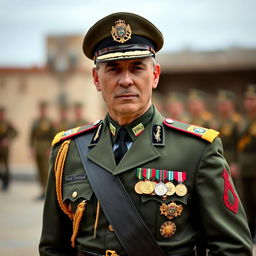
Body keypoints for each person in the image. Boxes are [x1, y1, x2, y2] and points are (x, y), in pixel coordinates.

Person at [39, 12, 252, 256]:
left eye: (137, 67)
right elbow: (53, 248)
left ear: (155, 75)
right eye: (114, 69)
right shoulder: (69, 150)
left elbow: (233, 248)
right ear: (97, 78)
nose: (126, 80)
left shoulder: (197, 149)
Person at [238, 84, 256, 243]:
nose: (249, 103)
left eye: (252, 99)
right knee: (247, 202)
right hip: (246, 169)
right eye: (247, 100)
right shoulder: (247, 121)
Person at [215, 89, 241, 192]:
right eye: (220, 104)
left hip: (231, 160)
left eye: (224, 104)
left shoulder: (237, 121)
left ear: (232, 104)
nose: (221, 107)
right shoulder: (219, 121)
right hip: (221, 158)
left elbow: (239, 144)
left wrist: (236, 162)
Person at [30, 101, 55, 199]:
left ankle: (46, 191)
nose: (42, 111)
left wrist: (50, 148)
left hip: (46, 148)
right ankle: (42, 189)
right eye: (41, 109)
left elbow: (54, 136)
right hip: (38, 148)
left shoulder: (50, 121)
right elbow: (31, 136)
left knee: (46, 170)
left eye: (44, 109)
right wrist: (31, 147)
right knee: (39, 170)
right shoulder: (35, 121)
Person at [0, 106, 18, 191]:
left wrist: (8, 139)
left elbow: (15, 132)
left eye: (2, 113)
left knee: (6, 166)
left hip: (5, 148)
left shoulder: (7, 123)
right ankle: (3, 180)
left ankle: (6, 183)